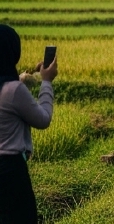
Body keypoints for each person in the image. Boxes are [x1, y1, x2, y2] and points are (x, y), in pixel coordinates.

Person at [0, 24, 56, 224]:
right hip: (10, 170)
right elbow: (43, 119)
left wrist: (20, 80)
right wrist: (46, 81)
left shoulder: (12, 88)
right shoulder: (13, 90)